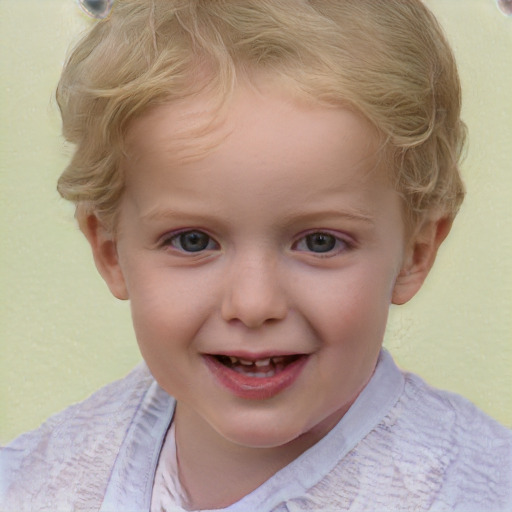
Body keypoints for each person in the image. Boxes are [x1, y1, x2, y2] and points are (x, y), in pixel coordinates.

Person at [1, 0, 511, 510]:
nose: (253, 303)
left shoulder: (480, 488)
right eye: (193, 241)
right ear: (111, 251)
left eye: (320, 242)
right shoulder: (36, 483)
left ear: (416, 253)